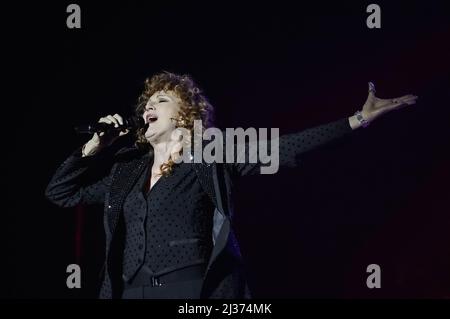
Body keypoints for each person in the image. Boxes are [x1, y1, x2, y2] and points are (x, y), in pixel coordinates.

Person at [45, 72, 417, 299]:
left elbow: (280, 148)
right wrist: (96, 145)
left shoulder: (211, 155)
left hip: (192, 292)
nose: (147, 108)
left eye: (161, 100)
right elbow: (61, 193)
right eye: (146, 103)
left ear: (185, 115)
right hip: (128, 291)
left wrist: (357, 120)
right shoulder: (126, 171)